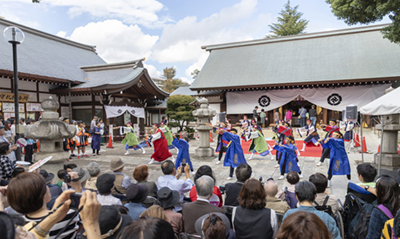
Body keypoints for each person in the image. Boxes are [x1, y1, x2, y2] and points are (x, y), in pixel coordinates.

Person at [7, 172, 82, 239]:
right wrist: (78, 187)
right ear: (43, 195)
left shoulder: (18, 227)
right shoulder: (68, 214)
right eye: (45, 185)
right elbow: (83, 216)